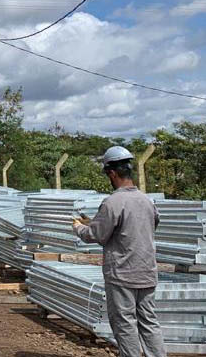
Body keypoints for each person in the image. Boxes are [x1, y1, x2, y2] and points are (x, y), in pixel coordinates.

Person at [72, 146, 166, 357]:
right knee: (149, 323)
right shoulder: (147, 201)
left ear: (112, 173)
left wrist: (78, 227)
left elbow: (95, 235)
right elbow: (146, 226)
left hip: (122, 275)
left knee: (125, 324)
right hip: (147, 273)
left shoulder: (113, 202)